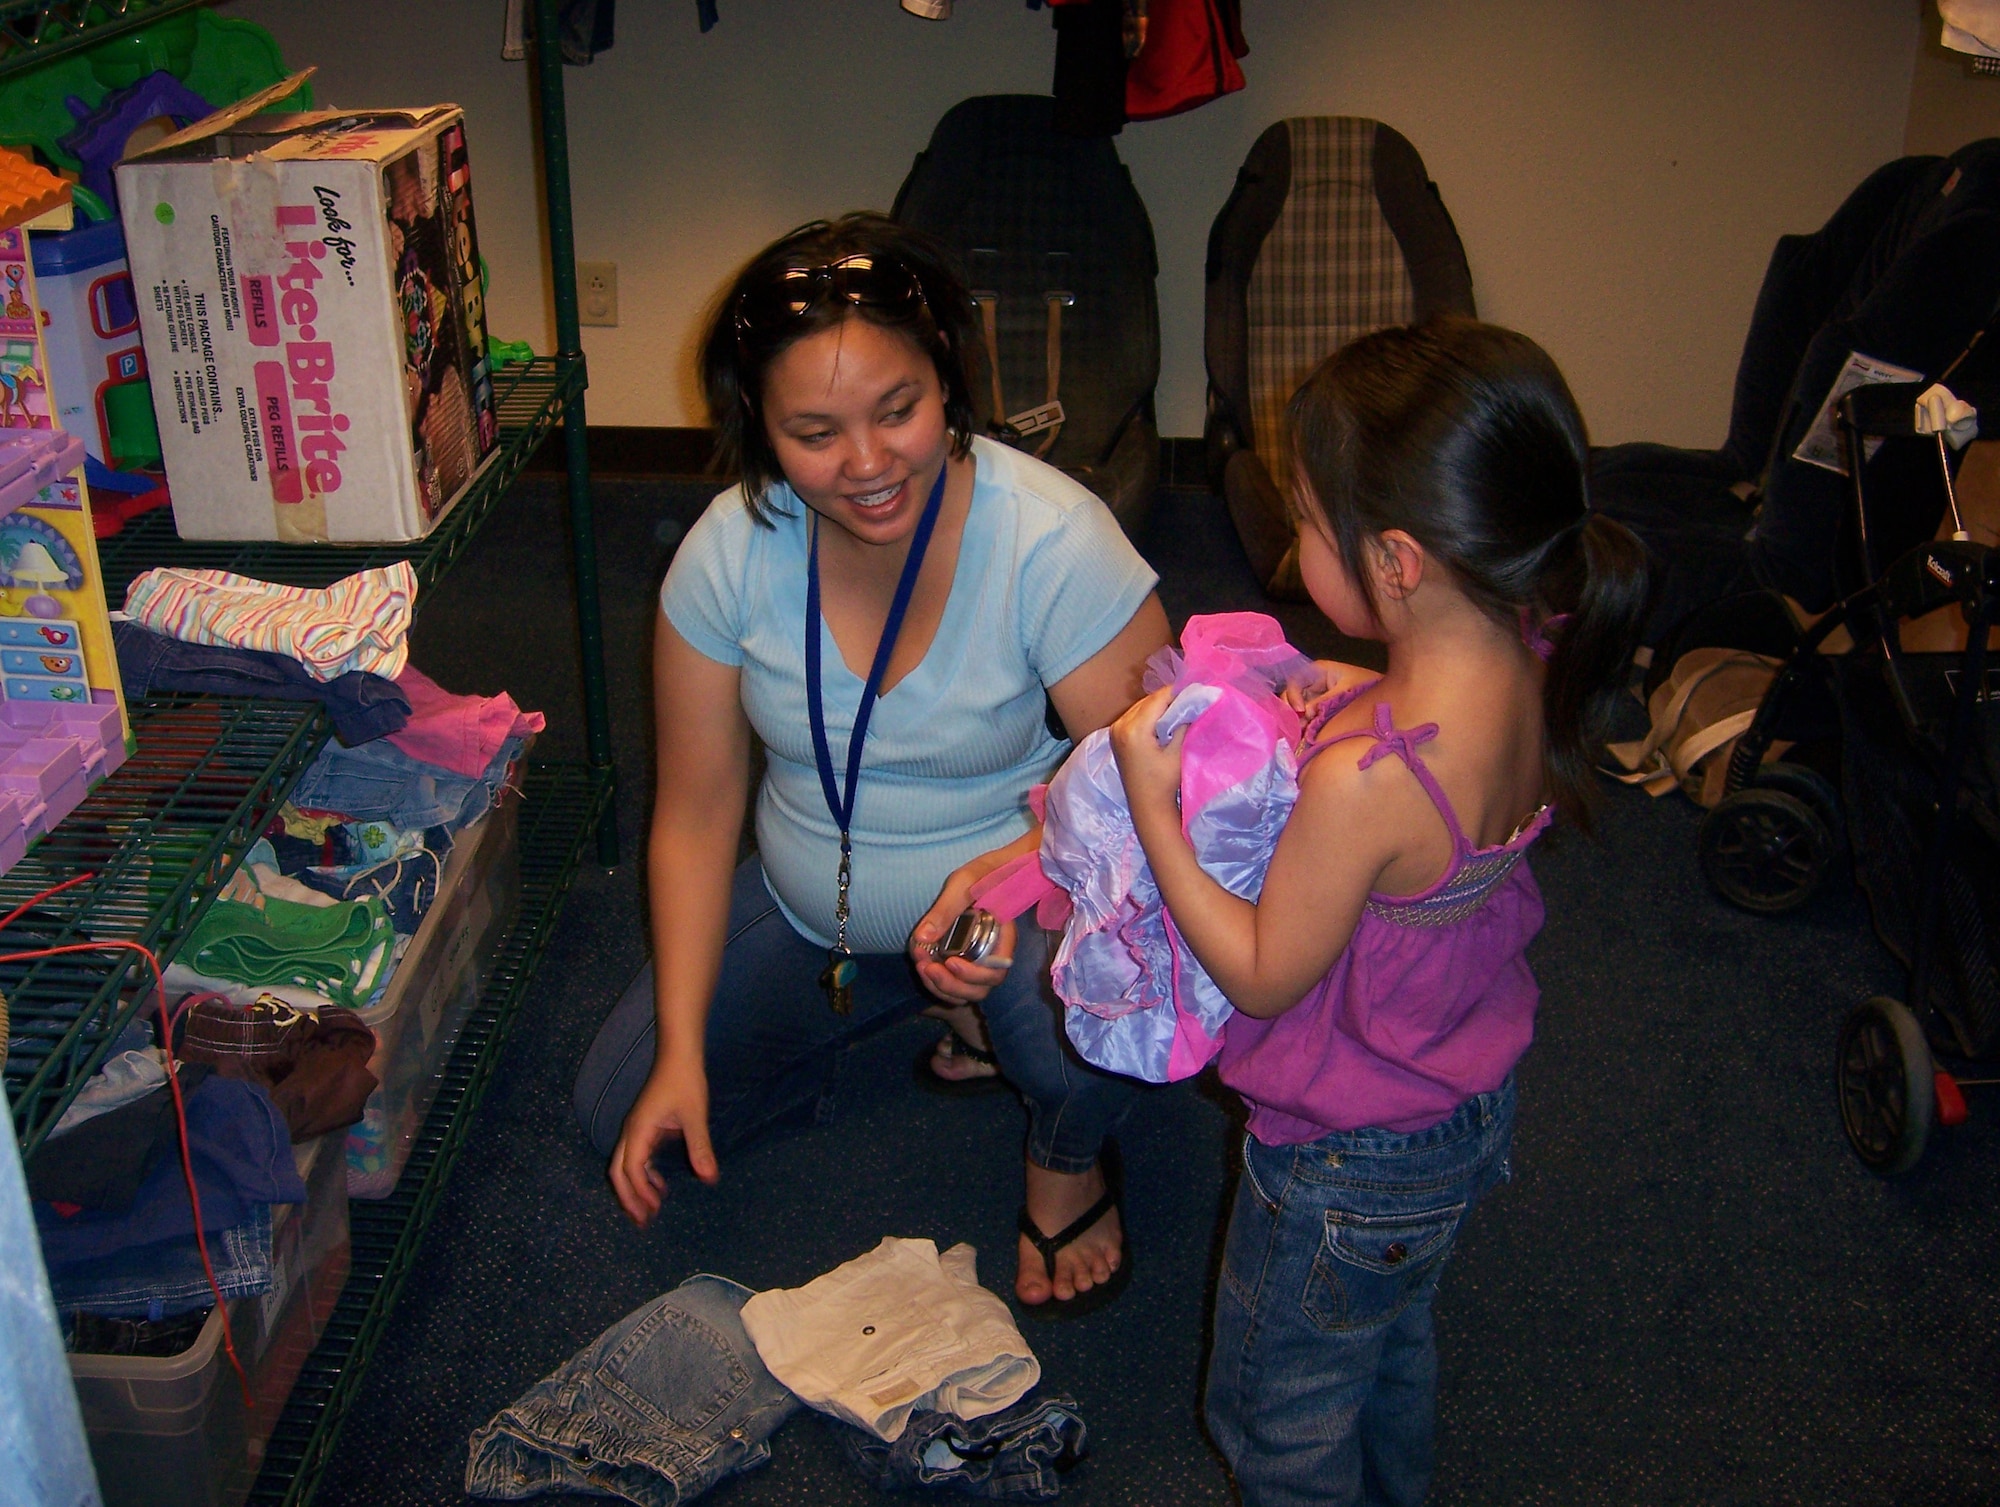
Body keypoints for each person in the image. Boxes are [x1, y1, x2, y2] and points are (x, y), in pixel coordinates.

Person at [572, 214, 1170, 1310]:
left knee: (1090, 1007)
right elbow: (698, 816)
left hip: (1024, 898)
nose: (865, 466)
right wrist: (677, 1051)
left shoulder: (1051, 541)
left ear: (948, 376)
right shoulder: (725, 552)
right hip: (818, 913)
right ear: (758, 424)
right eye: (813, 432)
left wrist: (1008, 878)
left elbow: (1158, 804)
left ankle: (1065, 1147)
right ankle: (933, 1013)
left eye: (897, 410)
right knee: (622, 1111)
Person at [1109, 318, 1646, 1505]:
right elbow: (1424, 735)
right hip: (1457, 1105)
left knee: (1273, 1411)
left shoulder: (1370, 787)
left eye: (1304, 518)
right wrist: (1350, 689)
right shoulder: (1532, 640)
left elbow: (1259, 972)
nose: (1292, 544)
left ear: (1397, 561)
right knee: (1386, 1341)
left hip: (1343, 1154)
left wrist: (1152, 805)